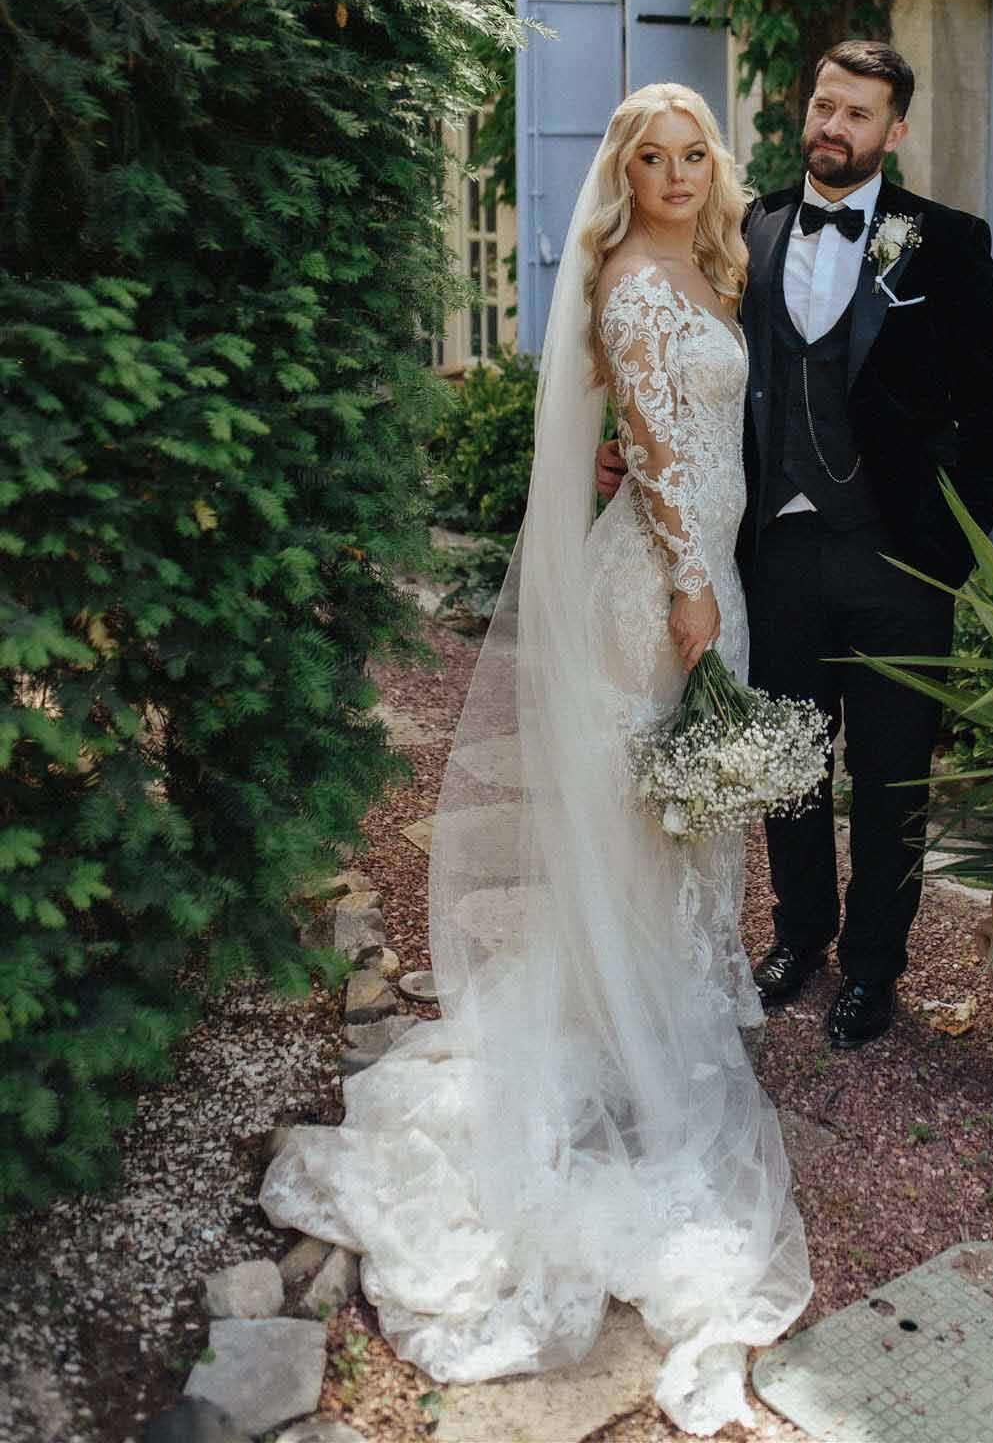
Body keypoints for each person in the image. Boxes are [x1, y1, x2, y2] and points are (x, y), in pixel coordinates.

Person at [260, 84, 811, 1437]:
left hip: (708, 570)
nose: (676, 174)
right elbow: (667, 456)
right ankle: (640, 1039)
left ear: (710, 168)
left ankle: (670, 1009)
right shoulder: (627, 276)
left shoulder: (710, 259)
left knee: (693, 802)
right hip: (663, 587)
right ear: (622, 171)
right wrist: (687, 581)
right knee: (652, 797)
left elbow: (673, 436)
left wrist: (701, 556)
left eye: (694, 155)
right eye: (652, 157)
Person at [598, 41, 993, 1051]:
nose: (834, 126)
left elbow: (990, 402)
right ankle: (798, 935)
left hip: (898, 557)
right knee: (786, 761)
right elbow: (651, 350)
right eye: (825, 106)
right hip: (772, 552)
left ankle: (873, 967)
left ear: (894, 129)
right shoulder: (746, 226)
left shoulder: (946, 239)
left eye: (858, 113)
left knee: (890, 773)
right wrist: (616, 452)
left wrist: (950, 545)